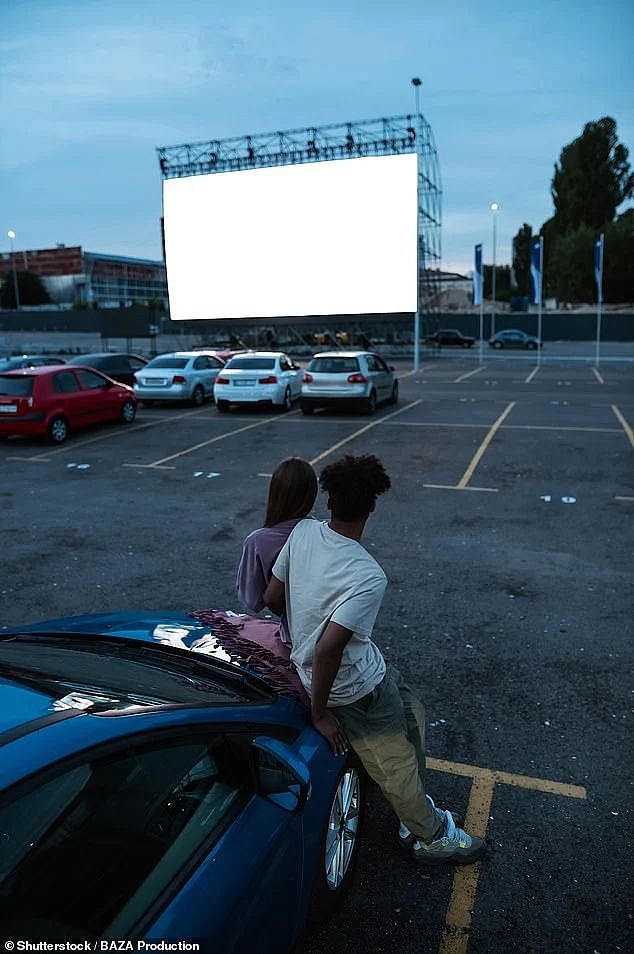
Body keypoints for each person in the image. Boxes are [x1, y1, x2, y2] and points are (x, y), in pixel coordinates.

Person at [264, 453, 485, 867]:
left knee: (413, 717)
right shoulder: (368, 576)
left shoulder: (304, 533)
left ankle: (413, 811)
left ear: (328, 502)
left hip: (370, 672)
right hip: (352, 691)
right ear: (372, 507)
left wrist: (304, 609)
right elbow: (328, 649)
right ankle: (430, 836)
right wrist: (320, 713)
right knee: (395, 764)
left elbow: (272, 598)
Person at [236, 457, 318, 645]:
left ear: (274, 493)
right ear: (311, 495)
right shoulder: (321, 532)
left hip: (292, 635)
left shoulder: (257, 541)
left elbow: (253, 599)